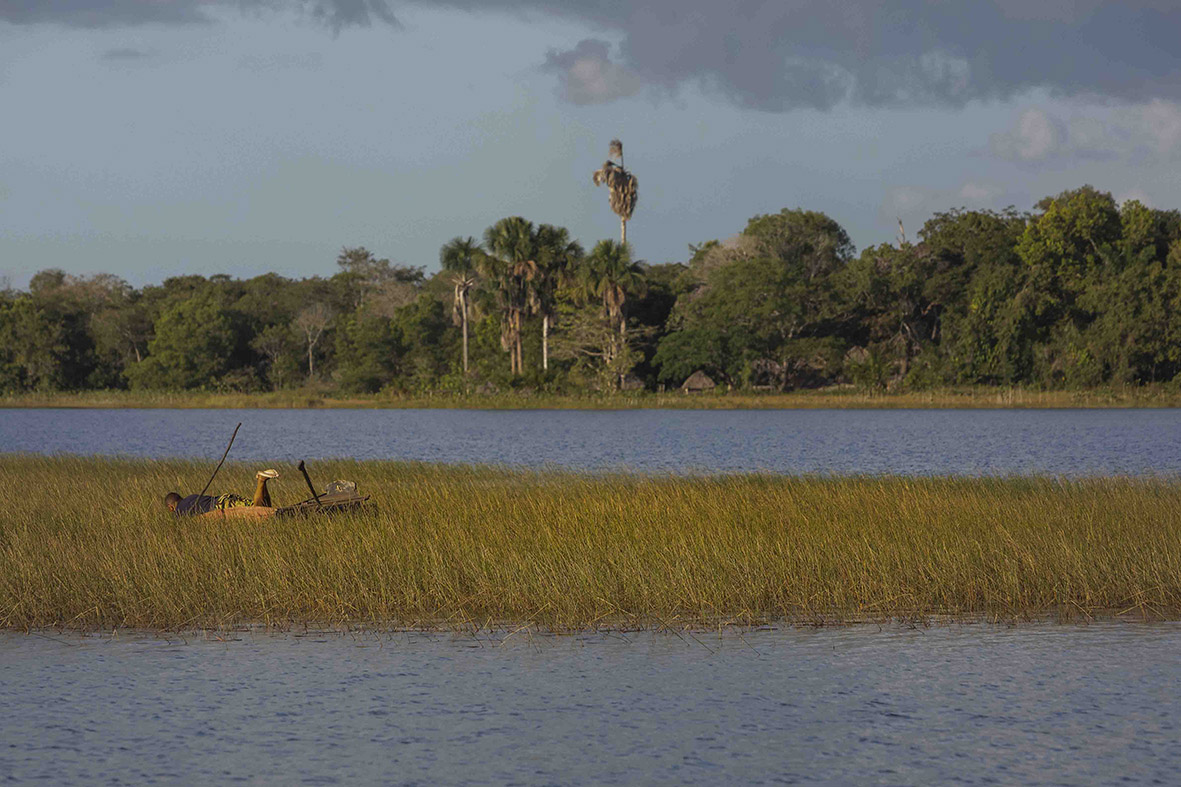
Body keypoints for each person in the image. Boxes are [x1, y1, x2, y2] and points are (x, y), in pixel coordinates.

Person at [165, 469, 279, 516]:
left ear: (171, 507)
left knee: (257, 509)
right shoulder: (191, 497)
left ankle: (261, 480)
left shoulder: (179, 511)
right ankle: (263, 480)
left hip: (222, 506)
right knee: (264, 508)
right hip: (224, 498)